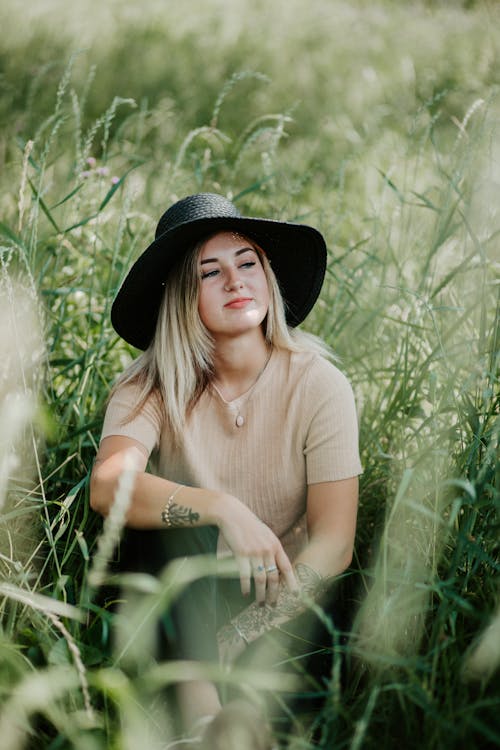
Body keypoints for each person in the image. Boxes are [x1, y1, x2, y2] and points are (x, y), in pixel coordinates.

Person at [90, 192, 362, 748]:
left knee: (331, 603)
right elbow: (108, 484)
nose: (236, 281)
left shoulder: (318, 384)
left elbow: (334, 541)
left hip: (279, 591)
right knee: (171, 519)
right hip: (178, 587)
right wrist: (222, 508)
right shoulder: (149, 386)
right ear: (180, 297)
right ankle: (201, 719)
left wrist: (252, 626)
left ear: (268, 277)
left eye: (247, 264)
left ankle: (244, 724)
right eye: (210, 272)